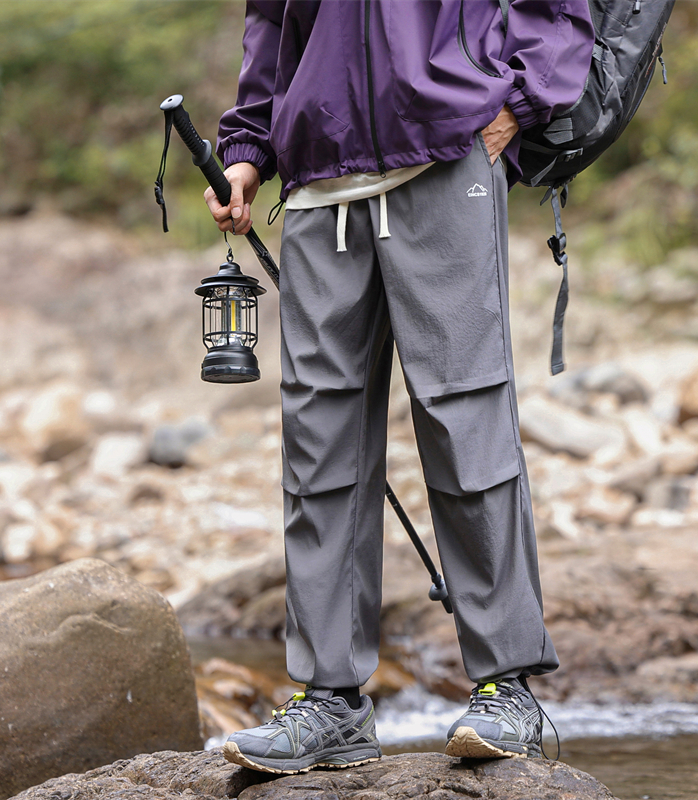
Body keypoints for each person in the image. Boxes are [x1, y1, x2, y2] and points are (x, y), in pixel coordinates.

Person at [205, 0, 594, 775]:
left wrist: (516, 101)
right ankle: (331, 702)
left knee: (464, 417)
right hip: (319, 183)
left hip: (446, 154)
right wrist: (248, 143)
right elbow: (271, 19)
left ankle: (505, 684)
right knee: (319, 444)